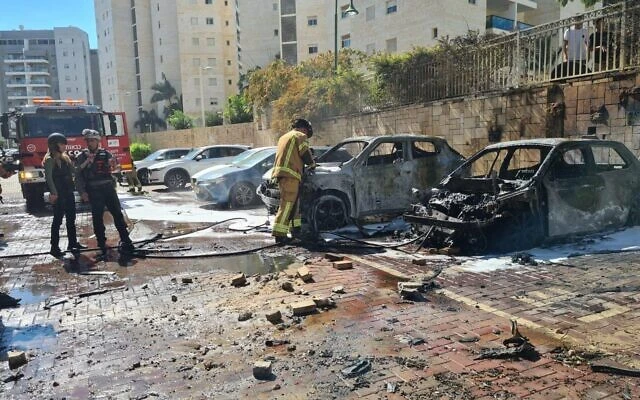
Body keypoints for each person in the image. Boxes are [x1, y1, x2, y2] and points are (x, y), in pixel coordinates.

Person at [75, 128, 134, 259]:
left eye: (92, 141)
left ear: (97, 142)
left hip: (108, 188)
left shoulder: (106, 154)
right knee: (97, 218)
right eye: (88, 141)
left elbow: (116, 168)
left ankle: (126, 240)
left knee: (117, 214)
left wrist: (114, 166)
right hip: (94, 190)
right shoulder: (82, 157)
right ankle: (102, 244)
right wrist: (82, 192)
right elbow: (77, 175)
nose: (90, 143)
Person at [271, 118, 316, 243]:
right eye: (306, 132)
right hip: (290, 174)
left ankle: (295, 230)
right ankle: (280, 235)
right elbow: (305, 153)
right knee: (287, 205)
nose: (306, 135)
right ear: (304, 129)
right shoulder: (300, 135)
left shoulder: (284, 137)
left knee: (294, 205)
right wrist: (312, 164)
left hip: (283, 174)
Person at [43, 133, 86, 258]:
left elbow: (76, 170)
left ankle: (72, 243)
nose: (64, 147)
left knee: (71, 218)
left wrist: (87, 161)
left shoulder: (65, 158)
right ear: (54, 145)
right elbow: (49, 178)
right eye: (61, 144)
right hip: (59, 193)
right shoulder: (49, 159)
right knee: (57, 220)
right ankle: (54, 247)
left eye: (64, 144)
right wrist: (54, 193)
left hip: (68, 192)